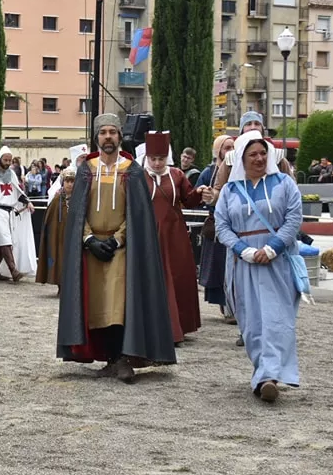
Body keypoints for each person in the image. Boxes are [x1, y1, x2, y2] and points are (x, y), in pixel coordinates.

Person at [57, 114, 175, 383]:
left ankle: (122, 358)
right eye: (103, 133)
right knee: (96, 306)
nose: (108, 137)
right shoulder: (87, 170)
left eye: (112, 132)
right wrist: (88, 240)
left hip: (122, 250)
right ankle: (110, 357)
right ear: (97, 138)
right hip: (91, 250)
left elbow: (137, 215)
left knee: (119, 305)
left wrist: (116, 239)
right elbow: (77, 214)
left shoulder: (131, 170)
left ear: (120, 136)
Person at [214, 131, 303, 402]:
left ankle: (269, 377)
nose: (259, 158)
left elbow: (294, 218)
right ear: (242, 158)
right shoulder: (230, 190)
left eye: (263, 153)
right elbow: (222, 225)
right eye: (253, 154)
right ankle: (262, 371)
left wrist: (272, 247)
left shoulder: (284, 184)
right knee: (252, 322)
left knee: (277, 320)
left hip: (278, 262)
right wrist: (244, 250)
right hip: (244, 264)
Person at [142, 132, 204, 345]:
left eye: (161, 158)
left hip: (175, 233)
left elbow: (189, 199)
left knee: (178, 277)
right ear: (147, 157)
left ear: (167, 156)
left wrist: (201, 192)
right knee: (152, 278)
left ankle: (179, 326)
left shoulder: (177, 175)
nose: (157, 163)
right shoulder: (139, 176)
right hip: (148, 232)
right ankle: (153, 326)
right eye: (153, 158)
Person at [0, 146, 37, 282]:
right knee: (5, 241)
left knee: (2, 242)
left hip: (9, 213)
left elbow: (17, 192)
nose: (7, 162)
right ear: (0, 159)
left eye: (9, 160)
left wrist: (27, 202)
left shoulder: (11, 174)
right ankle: (13, 270)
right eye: (5, 160)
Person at [195, 135, 236, 322]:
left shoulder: (240, 170)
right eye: (226, 148)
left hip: (237, 224)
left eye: (232, 147)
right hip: (217, 225)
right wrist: (203, 193)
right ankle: (225, 306)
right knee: (219, 268)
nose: (229, 151)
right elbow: (197, 195)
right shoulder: (209, 172)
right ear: (218, 150)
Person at [36, 167, 75, 289]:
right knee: (59, 258)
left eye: (72, 181)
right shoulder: (57, 200)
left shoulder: (79, 200)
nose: (69, 184)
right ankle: (60, 284)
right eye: (67, 181)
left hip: (73, 236)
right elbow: (50, 220)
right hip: (59, 236)